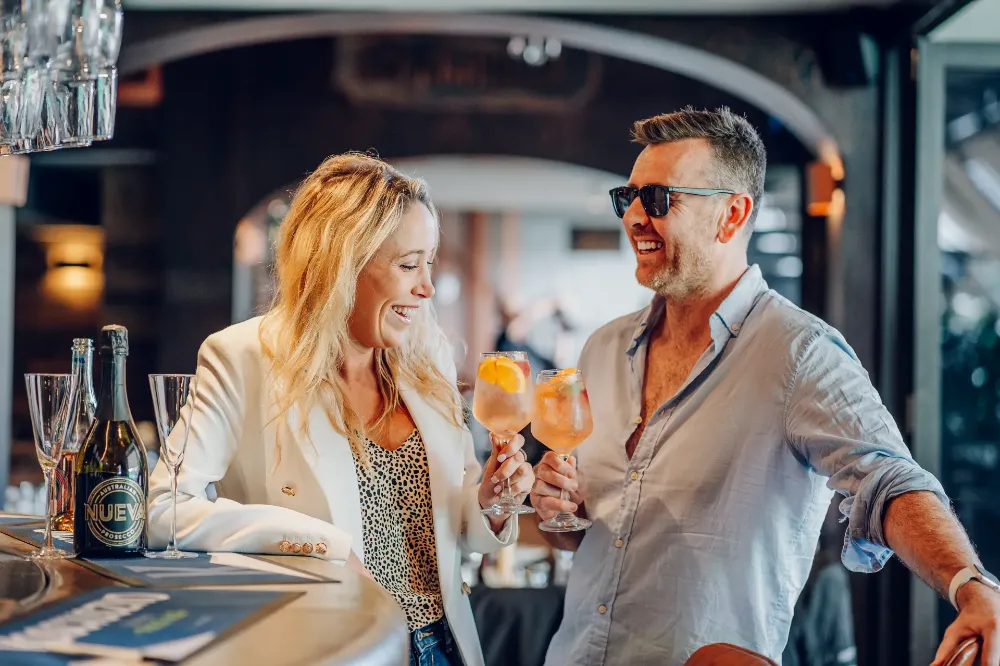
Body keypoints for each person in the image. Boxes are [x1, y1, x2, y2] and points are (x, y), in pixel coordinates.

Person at [529, 107, 1000, 666]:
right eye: (624, 198)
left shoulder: (798, 352)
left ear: (731, 216)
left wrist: (970, 584)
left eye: (656, 199)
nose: (632, 216)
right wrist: (557, 509)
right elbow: (587, 531)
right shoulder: (602, 349)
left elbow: (888, 476)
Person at [148, 153, 534, 666]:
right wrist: (321, 542)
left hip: (445, 646)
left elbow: (458, 529)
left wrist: (490, 500)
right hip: (334, 649)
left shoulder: (428, 356)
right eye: (407, 264)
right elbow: (163, 511)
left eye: (429, 261)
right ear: (341, 263)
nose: (427, 286)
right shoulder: (242, 356)